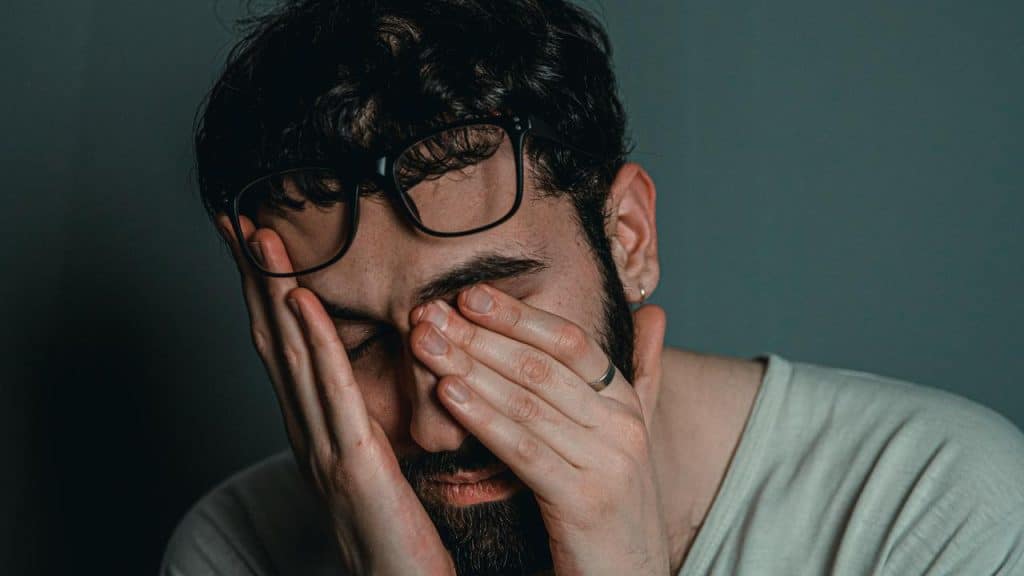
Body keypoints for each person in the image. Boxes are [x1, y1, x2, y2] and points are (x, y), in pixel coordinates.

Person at [162, 0, 1024, 574]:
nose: (432, 418)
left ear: (629, 240)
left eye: (480, 312)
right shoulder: (235, 550)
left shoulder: (941, 507)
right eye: (356, 344)